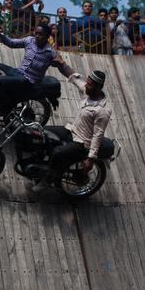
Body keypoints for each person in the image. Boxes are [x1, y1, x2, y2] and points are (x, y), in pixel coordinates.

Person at [32, 59, 112, 192]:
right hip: (72, 130)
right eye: (87, 82)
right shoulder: (88, 91)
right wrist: (61, 63)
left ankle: (49, 178)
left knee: (58, 153)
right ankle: (39, 166)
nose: (86, 86)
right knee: (41, 132)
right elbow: (74, 77)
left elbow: (98, 135)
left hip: (83, 142)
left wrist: (91, 159)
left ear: (98, 87)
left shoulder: (103, 110)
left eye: (90, 85)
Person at [0, 24, 60, 118]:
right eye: (36, 33)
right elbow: (11, 43)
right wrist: (1, 35)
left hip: (28, 80)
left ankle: (0, 108)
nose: (37, 36)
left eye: (41, 34)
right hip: (18, 72)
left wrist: (62, 65)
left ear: (47, 36)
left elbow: (61, 63)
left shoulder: (50, 52)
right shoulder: (29, 40)